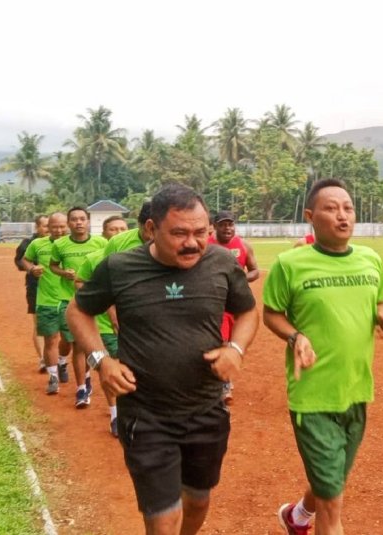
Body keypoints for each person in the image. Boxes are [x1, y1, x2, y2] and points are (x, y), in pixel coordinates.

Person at [66, 183, 258, 535]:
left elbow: (247, 312)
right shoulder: (120, 268)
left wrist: (236, 349)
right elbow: (77, 311)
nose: (192, 242)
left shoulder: (220, 263)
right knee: (163, 518)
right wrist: (102, 361)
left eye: (201, 232)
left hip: (206, 408)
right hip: (146, 414)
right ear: (152, 229)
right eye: (179, 233)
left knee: (198, 500)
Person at [263, 178, 383, 535]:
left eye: (348, 208)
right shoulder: (290, 264)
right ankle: (314, 517)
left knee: (332, 480)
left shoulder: (371, 260)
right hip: (312, 396)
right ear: (310, 215)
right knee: (333, 502)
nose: (343, 216)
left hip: (356, 390)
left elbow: (377, 303)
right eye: (331, 208)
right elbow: (271, 313)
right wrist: (295, 337)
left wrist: (381, 315)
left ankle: (297, 516)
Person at [74, 214, 132, 437]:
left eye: (122, 229)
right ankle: (116, 414)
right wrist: (101, 303)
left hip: (136, 326)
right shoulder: (95, 259)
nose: (118, 233)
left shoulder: (139, 258)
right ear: (104, 234)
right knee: (112, 366)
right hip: (106, 326)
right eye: (113, 230)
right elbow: (80, 281)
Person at [50, 207, 108, 409]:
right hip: (70, 300)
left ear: (89, 222)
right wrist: (62, 272)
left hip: (96, 300)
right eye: (74, 219)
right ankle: (81, 384)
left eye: (83, 219)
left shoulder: (101, 243)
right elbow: (53, 265)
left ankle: (83, 383)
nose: (79, 223)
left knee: (87, 345)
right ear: (68, 223)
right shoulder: (60, 244)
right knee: (74, 343)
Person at [207, 210, 259, 404]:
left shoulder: (243, 245)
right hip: (216, 302)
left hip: (238, 303)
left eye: (230, 224)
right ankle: (224, 384)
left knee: (233, 341)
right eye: (223, 224)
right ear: (215, 226)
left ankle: (223, 380)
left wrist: (238, 280)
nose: (227, 228)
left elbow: (255, 270)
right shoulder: (206, 245)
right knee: (220, 341)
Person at [20, 212, 69, 395]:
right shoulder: (37, 244)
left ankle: (63, 361)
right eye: (53, 226)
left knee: (68, 340)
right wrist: (32, 268)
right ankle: (53, 377)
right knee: (51, 339)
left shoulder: (74, 245)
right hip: (46, 300)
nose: (58, 230)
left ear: (67, 226)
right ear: (47, 228)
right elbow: (24, 259)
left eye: (61, 226)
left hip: (70, 300)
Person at [15, 215, 50, 372]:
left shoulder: (61, 243)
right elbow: (19, 261)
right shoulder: (28, 244)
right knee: (39, 324)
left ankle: (58, 358)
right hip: (36, 287)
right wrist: (32, 268)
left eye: (51, 225)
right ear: (37, 227)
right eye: (45, 226)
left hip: (60, 289)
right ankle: (44, 359)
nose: (48, 229)